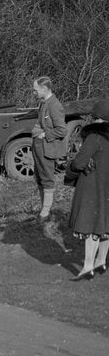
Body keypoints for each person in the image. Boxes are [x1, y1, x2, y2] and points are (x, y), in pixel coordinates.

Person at [64, 98, 109, 280]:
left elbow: (79, 162)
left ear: (96, 117)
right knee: (105, 225)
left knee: (91, 226)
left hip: (92, 185)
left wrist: (70, 169)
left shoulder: (94, 137)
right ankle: (101, 261)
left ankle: (87, 267)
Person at [31, 76, 68, 221]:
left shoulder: (54, 105)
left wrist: (45, 134)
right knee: (39, 178)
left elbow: (62, 130)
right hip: (39, 147)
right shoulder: (44, 103)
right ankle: (44, 209)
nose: (34, 93)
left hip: (47, 148)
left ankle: (45, 213)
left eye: (35, 90)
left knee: (47, 178)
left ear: (44, 89)